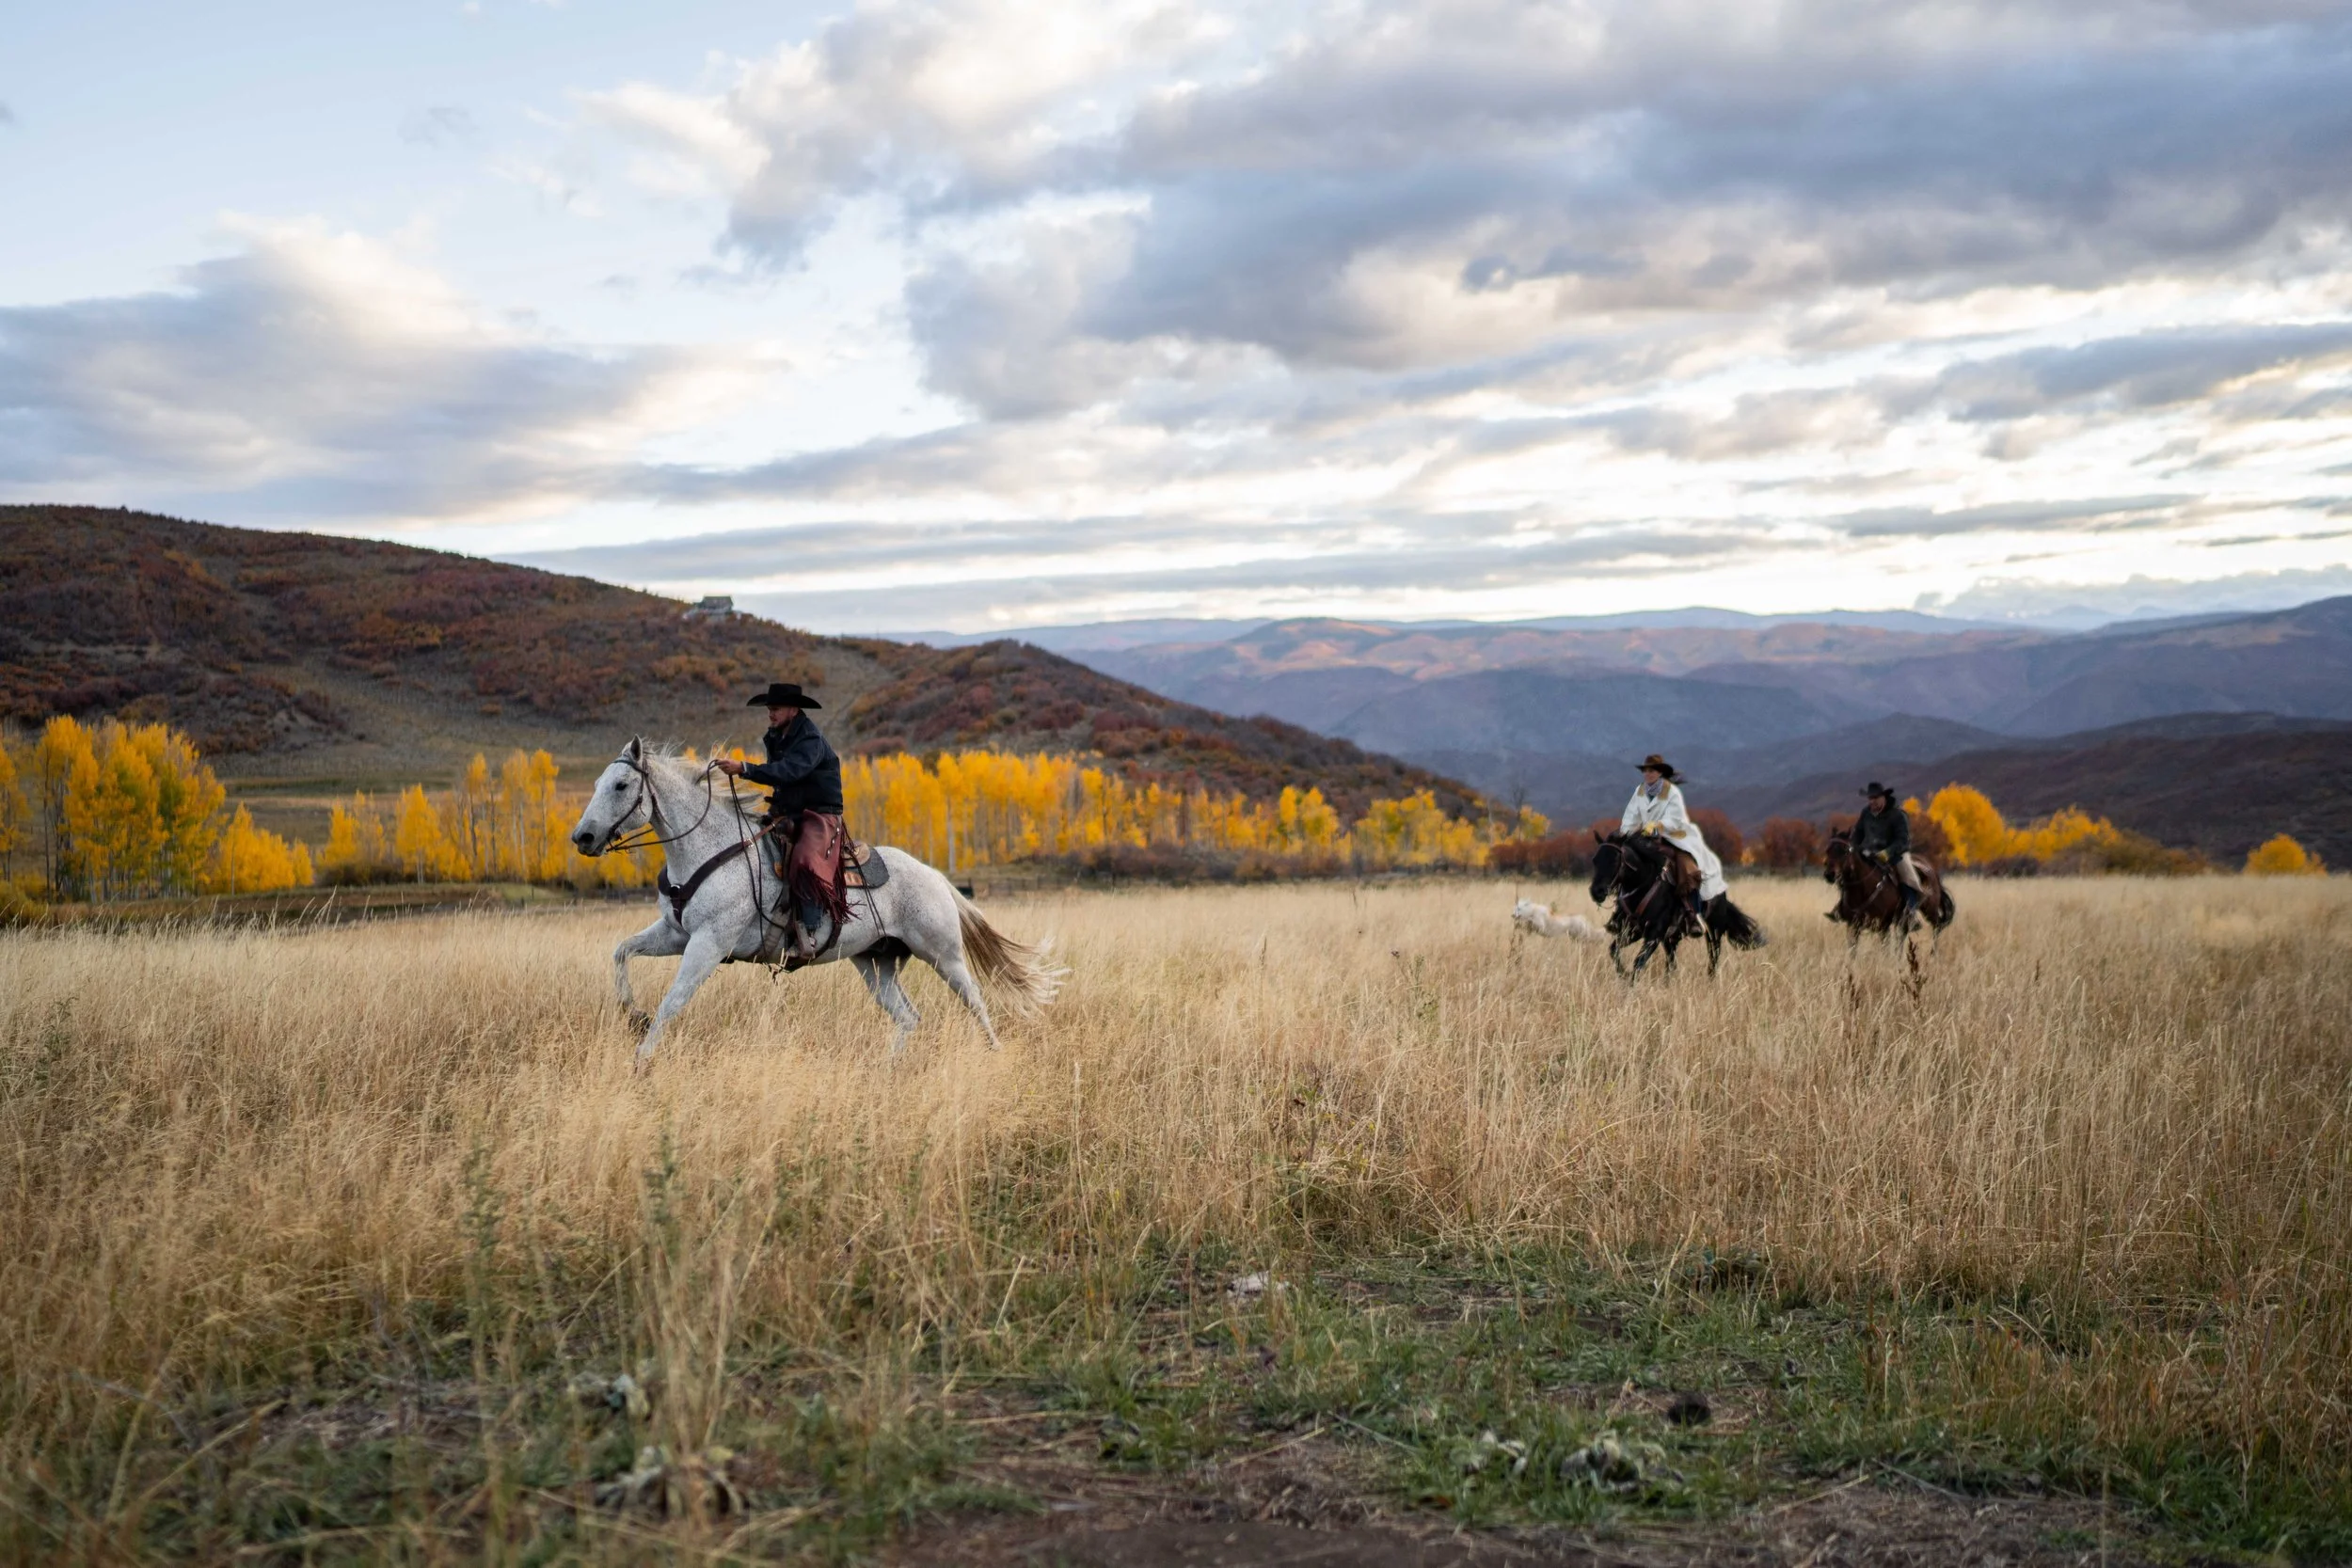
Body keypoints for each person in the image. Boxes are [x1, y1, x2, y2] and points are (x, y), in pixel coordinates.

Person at [714, 681, 847, 964]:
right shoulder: (776, 735)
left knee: (805, 861)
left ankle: (810, 933)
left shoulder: (810, 739)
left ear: (793, 710)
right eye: (769, 709)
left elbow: (789, 772)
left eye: (775, 708)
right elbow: (783, 780)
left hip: (821, 813)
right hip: (790, 812)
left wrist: (744, 768)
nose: (770, 714)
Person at [1620, 755, 1725, 933]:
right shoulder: (1639, 791)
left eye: (1651, 770)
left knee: (1687, 868)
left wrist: (1657, 826)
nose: (1647, 774)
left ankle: (1693, 914)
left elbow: (1676, 819)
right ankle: (1621, 911)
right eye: (1645, 771)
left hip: (1675, 838)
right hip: (1647, 840)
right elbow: (1631, 816)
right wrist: (1626, 832)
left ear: (1660, 773)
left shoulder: (1672, 792)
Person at [1851, 782, 1922, 928]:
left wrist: (1888, 852)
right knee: (1850, 873)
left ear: (1884, 797)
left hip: (1896, 853)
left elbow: (1903, 840)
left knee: (1907, 876)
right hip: (1869, 853)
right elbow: (1857, 834)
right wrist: (1855, 848)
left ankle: (1911, 913)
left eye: (1875, 798)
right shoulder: (1866, 813)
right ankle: (1844, 908)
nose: (1872, 801)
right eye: (1870, 798)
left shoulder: (1898, 815)